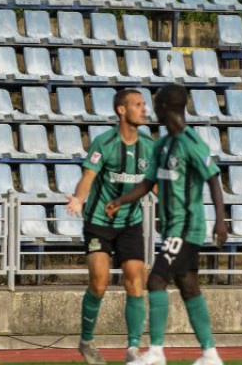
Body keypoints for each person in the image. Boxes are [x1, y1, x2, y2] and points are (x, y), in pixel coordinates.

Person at [106, 84, 227, 365]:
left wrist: (220, 221)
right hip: (173, 228)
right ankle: (210, 354)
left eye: (153, 104)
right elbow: (147, 183)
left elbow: (213, 179)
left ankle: (156, 352)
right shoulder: (161, 145)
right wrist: (121, 201)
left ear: (164, 108)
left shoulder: (191, 142)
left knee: (157, 280)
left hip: (187, 226)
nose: (148, 110)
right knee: (189, 287)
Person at [66, 89, 155, 365]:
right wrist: (79, 199)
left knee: (135, 280)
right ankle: (87, 341)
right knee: (100, 282)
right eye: (137, 105)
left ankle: (132, 349)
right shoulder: (103, 143)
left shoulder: (149, 146)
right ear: (121, 110)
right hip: (99, 222)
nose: (144, 110)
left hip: (131, 222)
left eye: (144, 105)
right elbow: (88, 178)